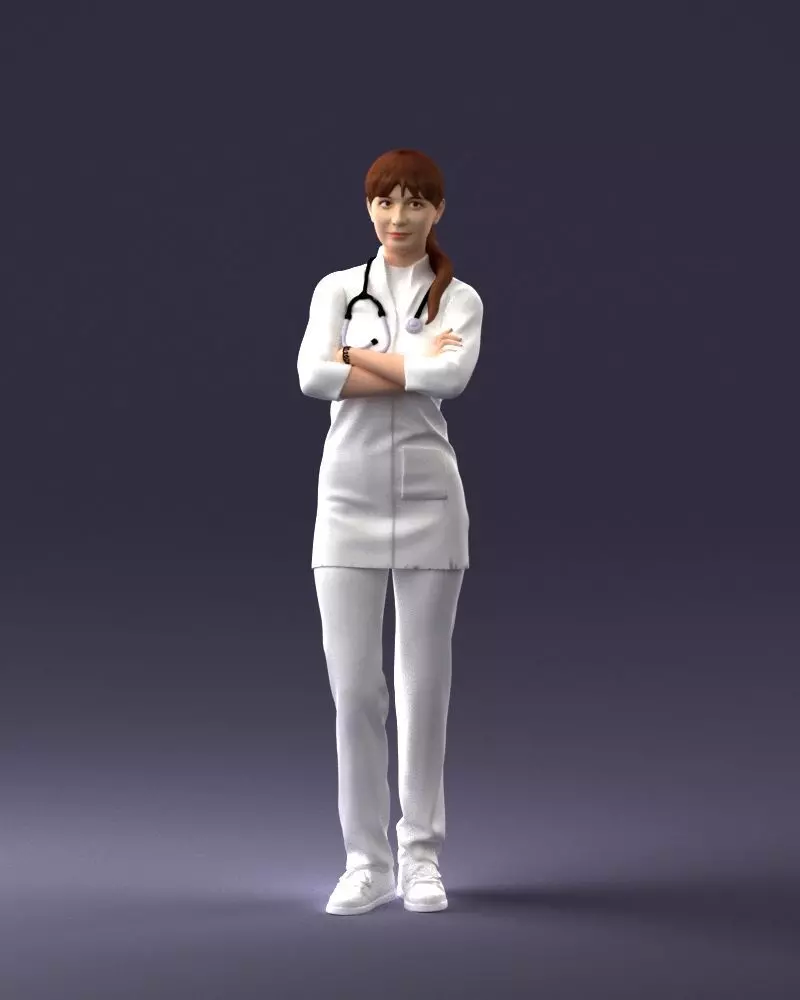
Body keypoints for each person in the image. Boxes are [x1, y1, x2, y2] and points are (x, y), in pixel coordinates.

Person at [297, 148, 483, 915]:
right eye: (384, 201)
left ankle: (421, 858)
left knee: (423, 688)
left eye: (413, 202)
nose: (397, 217)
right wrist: (406, 361)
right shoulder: (338, 288)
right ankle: (365, 861)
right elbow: (311, 376)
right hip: (347, 501)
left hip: (431, 502)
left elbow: (451, 379)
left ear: (438, 210)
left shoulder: (460, 299)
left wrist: (356, 357)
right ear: (368, 207)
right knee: (355, 692)